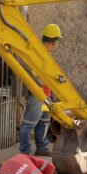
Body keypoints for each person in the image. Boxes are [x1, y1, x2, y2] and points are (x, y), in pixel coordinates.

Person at [19, 24, 62, 156]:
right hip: (36, 94)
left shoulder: (46, 54)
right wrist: (37, 82)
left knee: (43, 122)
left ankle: (41, 147)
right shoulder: (35, 52)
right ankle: (25, 152)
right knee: (28, 123)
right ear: (55, 42)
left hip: (46, 94)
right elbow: (23, 64)